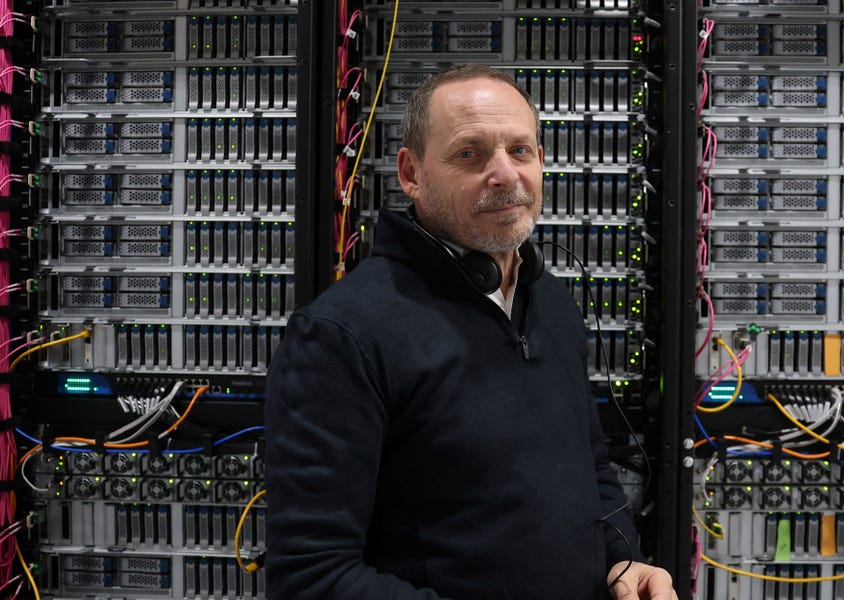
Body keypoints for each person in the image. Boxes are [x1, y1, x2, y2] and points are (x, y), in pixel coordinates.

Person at [265, 64, 676, 600]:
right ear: (411, 174)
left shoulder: (550, 301)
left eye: (520, 151)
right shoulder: (342, 335)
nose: (505, 174)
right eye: (469, 154)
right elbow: (310, 577)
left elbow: (593, 468)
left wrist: (624, 562)